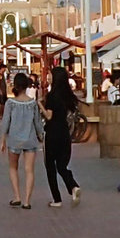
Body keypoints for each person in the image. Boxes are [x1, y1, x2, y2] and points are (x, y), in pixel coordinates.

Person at [40, 66, 83, 208]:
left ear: (56, 77)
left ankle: (56, 199)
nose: (48, 77)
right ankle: (73, 186)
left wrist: (40, 104)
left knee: (50, 166)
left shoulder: (52, 95)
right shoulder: (67, 95)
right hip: (65, 134)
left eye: (50, 75)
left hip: (52, 134)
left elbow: (49, 116)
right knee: (62, 166)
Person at [0, 73, 43, 209]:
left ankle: (17, 196)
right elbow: (37, 122)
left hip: (14, 139)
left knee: (13, 167)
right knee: (29, 170)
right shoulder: (32, 103)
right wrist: (41, 136)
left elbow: (6, 122)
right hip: (30, 139)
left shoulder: (10, 103)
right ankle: (27, 201)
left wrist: (3, 139)